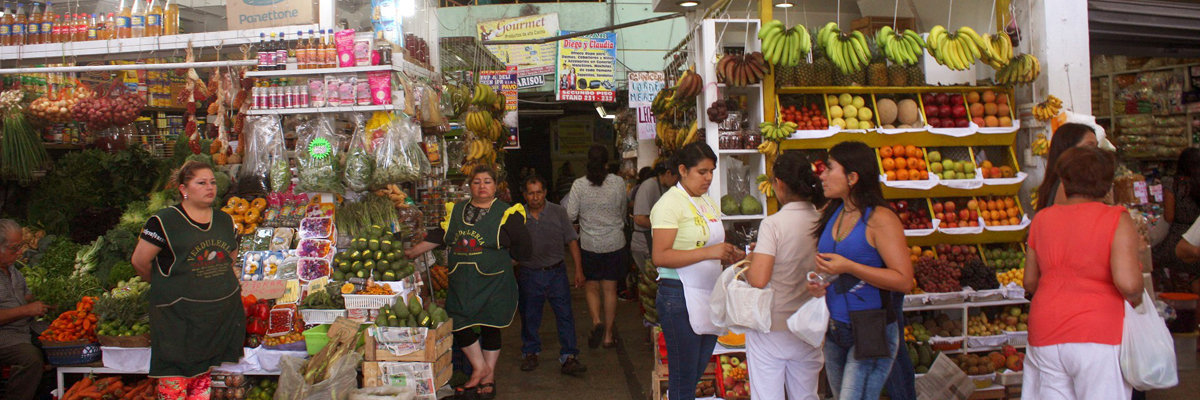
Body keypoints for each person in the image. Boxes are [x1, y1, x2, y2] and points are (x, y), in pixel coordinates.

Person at [1022, 147, 1143, 399]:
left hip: (1045, 330)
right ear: (1107, 183)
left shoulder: (1042, 219)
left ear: (1064, 181)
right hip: (1098, 332)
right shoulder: (1116, 219)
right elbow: (1129, 284)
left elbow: (1030, 282)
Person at [404, 166, 532, 400]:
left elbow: (524, 245)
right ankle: (480, 367)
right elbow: (439, 236)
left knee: (490, 324)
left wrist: (506, 261)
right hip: (463, 281)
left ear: (495, 186)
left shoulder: (507, 212)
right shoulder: (457, 211)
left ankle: (488, 376)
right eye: (477, 182)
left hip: (493, 281)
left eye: (487, 182)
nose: (482, 186)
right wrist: (413, 252)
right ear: (469, 186)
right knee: (459, 322)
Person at [805, 141, 913, 400]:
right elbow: (836, 268)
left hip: (870, 329)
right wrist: (820, 282)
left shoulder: (880, 219)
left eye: (830, 169)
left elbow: (904, 280)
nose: (822, 175)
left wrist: (850, 266)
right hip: (835, 329)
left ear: (853, 177)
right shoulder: (834, 212)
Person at [130, 161, 245, 398]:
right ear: (184, 189)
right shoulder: (163, 221)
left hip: (214, 317)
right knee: (175, 379)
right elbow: (140, 262)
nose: (209, 187)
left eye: (212, 182)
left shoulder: (224, 220)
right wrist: (166, 286)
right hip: (177, 318)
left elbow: (230, 257)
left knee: (202, 380)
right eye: (201, 183)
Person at [651, 142, 744, 400]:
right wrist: (709, 253)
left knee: (695, 372)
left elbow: (712, 246)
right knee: (683, 377)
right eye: (702, 172)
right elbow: (660, 256)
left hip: (708, 294)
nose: (709, 178)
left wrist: (731, 255)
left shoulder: (708, 203)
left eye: (711, 171)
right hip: (678, 296)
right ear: (682, 170)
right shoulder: (669, 204)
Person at [744, 152, 825, 400]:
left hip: (774, 326)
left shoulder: (774, 224)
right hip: (810, 326)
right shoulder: (823, 221)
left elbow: (758, 279)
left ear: (779, 183)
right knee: (806, 395)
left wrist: (748, 262)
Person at [516, 175, 587, 376]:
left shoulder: (558, 212)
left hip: (556, 273)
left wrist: (579, 270)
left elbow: (572, 241)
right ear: (525, 195)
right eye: (531, 193)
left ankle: (569, 356)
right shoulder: (517, 215)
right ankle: (530, 352)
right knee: (530, 315)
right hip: (529, 273)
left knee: (565, 315)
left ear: (545, 193)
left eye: (539, 192)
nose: (535, 197)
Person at [565, 145, 628, 349]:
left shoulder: (579, 185)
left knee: (592, 286)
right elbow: (623, 210)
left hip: (590, 244)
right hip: (615, 242)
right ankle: (608, 336)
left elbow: (570, 215)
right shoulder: (618, 183)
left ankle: (596, 322)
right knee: (610, 289)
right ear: (606, 163)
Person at [0, 219, 50, 400]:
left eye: (20, 246)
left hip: (26, 329)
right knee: (31, 359)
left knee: (60, 345)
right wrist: (26, 310)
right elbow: (24, 308)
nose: (20, 252)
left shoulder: (13, 270)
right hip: (5, 336)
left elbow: (26, 297)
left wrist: (46, 302)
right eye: (14, 248)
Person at [1152, 148, 1200, 294]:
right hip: (1196, 239)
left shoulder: (1172, 183)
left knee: (1152, 257)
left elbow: (1169, 216)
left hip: (1177, 237)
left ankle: (1167, 298)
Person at [632, 162, 679, 285]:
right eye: (677, 178)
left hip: (655, 242)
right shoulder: (648, 186)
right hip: (644, 243)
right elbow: (639, 218)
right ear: (668, 173)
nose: (677, 182)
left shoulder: (667, 188)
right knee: (651, 284)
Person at [1035, 123, 1099, 210]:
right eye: (1089, 146)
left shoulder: (1070, 183)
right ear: (1068, 150)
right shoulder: (1066, 186)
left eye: (1096, 146)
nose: (1096, 152)